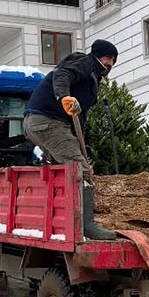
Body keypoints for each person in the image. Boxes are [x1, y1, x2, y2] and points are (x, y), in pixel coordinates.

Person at [23, 39, 119, 240]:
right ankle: (86, 225)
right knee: (79, 170)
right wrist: (63, 96)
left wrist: (81, 149)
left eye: (113, 60)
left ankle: (64, 216)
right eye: (108, 58)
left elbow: (79, 116)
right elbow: (62, 73)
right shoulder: (85, 61)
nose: (110, 63)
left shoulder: (93, 76)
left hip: (44, 122)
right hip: (48, 120)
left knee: (67, 168)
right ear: (98, 55)